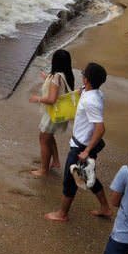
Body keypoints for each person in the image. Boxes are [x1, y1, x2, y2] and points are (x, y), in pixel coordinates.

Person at [45, 62, 111, 221]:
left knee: (70, 180)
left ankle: (62, 214)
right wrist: (81, 91)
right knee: (87, 176)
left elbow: (100, 129)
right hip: (83, 145)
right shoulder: (93, 93)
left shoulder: (91, 101)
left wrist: (87, 151)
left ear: (86, 79)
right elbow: (85, 95)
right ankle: (105, 208)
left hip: (82, 148)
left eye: (83, 74)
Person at [28, 49, 76, 177]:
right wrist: (46, 78)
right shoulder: (66, 75)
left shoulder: (56, 77)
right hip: (58, 113)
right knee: (49, 136)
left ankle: (44, 170)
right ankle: (55, 161)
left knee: (43, 139)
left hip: (52, 114)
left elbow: (52, 99)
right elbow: (58, 88)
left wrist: (36, 99)